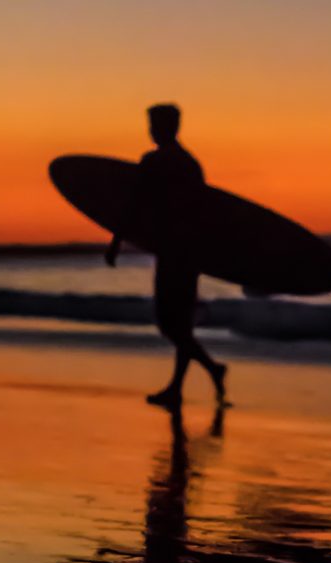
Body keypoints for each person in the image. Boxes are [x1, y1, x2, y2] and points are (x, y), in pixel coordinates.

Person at [105, 104, 227, 407]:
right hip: (190, 251)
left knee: (169, 323)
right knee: (180, 324)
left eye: (153, 124)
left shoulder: (154, 161)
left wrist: (116, 240)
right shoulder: (191, 164)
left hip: (173, 252)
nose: (151, 130)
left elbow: (133, 205)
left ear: (166, 127)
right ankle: (183, 385)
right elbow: (204, 213)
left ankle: (207, 370)